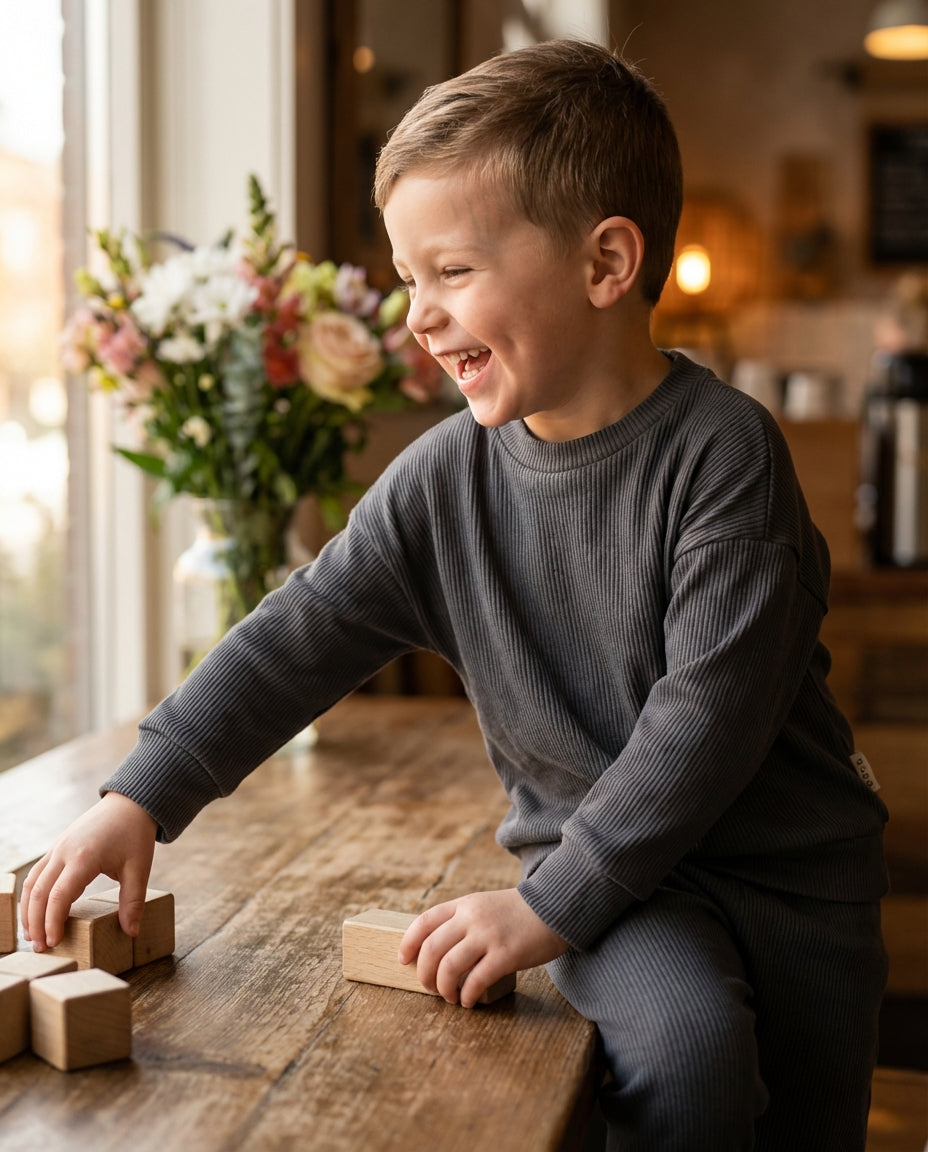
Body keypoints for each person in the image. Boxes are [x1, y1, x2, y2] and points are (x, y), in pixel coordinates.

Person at [22, 39, 887, 1151]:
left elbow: (704, 724)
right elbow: (298, 632)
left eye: (453, 271)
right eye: (406, 278)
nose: (419, 316)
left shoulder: (726, 457)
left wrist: (540, 909)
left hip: (792, 881)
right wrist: (138, 795)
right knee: (693, 1068)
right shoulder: (443, 481)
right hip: (618, 885)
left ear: (605, 263)